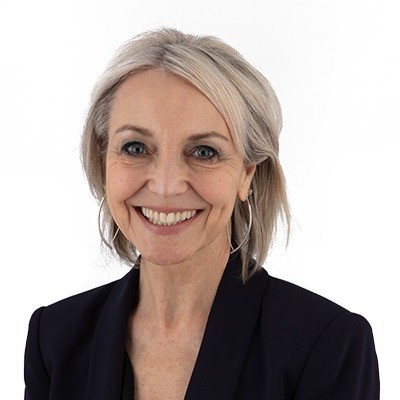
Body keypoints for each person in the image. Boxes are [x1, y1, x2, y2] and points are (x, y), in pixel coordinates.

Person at [24, 28, 379, 400]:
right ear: (103, 162)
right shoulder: (55, 339)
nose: (166, 186)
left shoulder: (326, 346)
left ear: (246, 174)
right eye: (135, 148)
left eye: (205, 152)